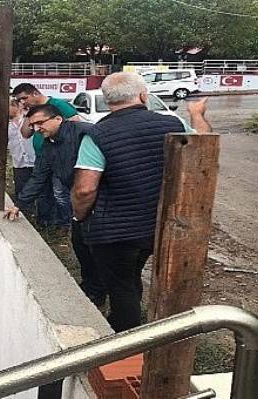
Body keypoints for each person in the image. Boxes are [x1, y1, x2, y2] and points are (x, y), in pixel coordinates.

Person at [72, 72, 212, 332]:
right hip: (152, 226)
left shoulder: (98, 134)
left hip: (112, 233)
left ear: (107, 99)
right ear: (143, 95)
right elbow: (204, 145)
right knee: (130, 276)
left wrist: (79, 217)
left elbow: (84, 190)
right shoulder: (171, 124)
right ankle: (127, 323)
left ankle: (128, 341)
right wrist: (196, 114)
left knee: (121, 286)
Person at [4, 104, 106, 306]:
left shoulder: (85, 132)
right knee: (80, 243)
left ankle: (102, 289)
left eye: (40, 123)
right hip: (78, 199)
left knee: (99, 248)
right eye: (32, 125)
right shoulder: (49, 145)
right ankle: (92, 286)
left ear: (58, 119)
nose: (36, 129)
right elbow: (38, 177)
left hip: (102, 198)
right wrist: (20, 204)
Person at [12, 83, 82, 227]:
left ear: (35, 93)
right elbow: (25, 134)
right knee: (43, 191)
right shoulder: (31, 113)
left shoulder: (58, 105)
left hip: (61, 157)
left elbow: (75, 128)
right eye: (19, 100)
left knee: (60, 192)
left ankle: (67, 224)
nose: (22, 102)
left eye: (24, 98)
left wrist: (61, 144)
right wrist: (27, 114)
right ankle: (46, 223)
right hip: (42, 155)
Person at [7, 98, 36, 206]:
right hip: (19, 162)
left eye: (7, 107)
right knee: (21, 189)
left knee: (38, 188)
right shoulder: (6, 124)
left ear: (16, 107)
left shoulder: (28, 119)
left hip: (34, 160)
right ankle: (24, 210)